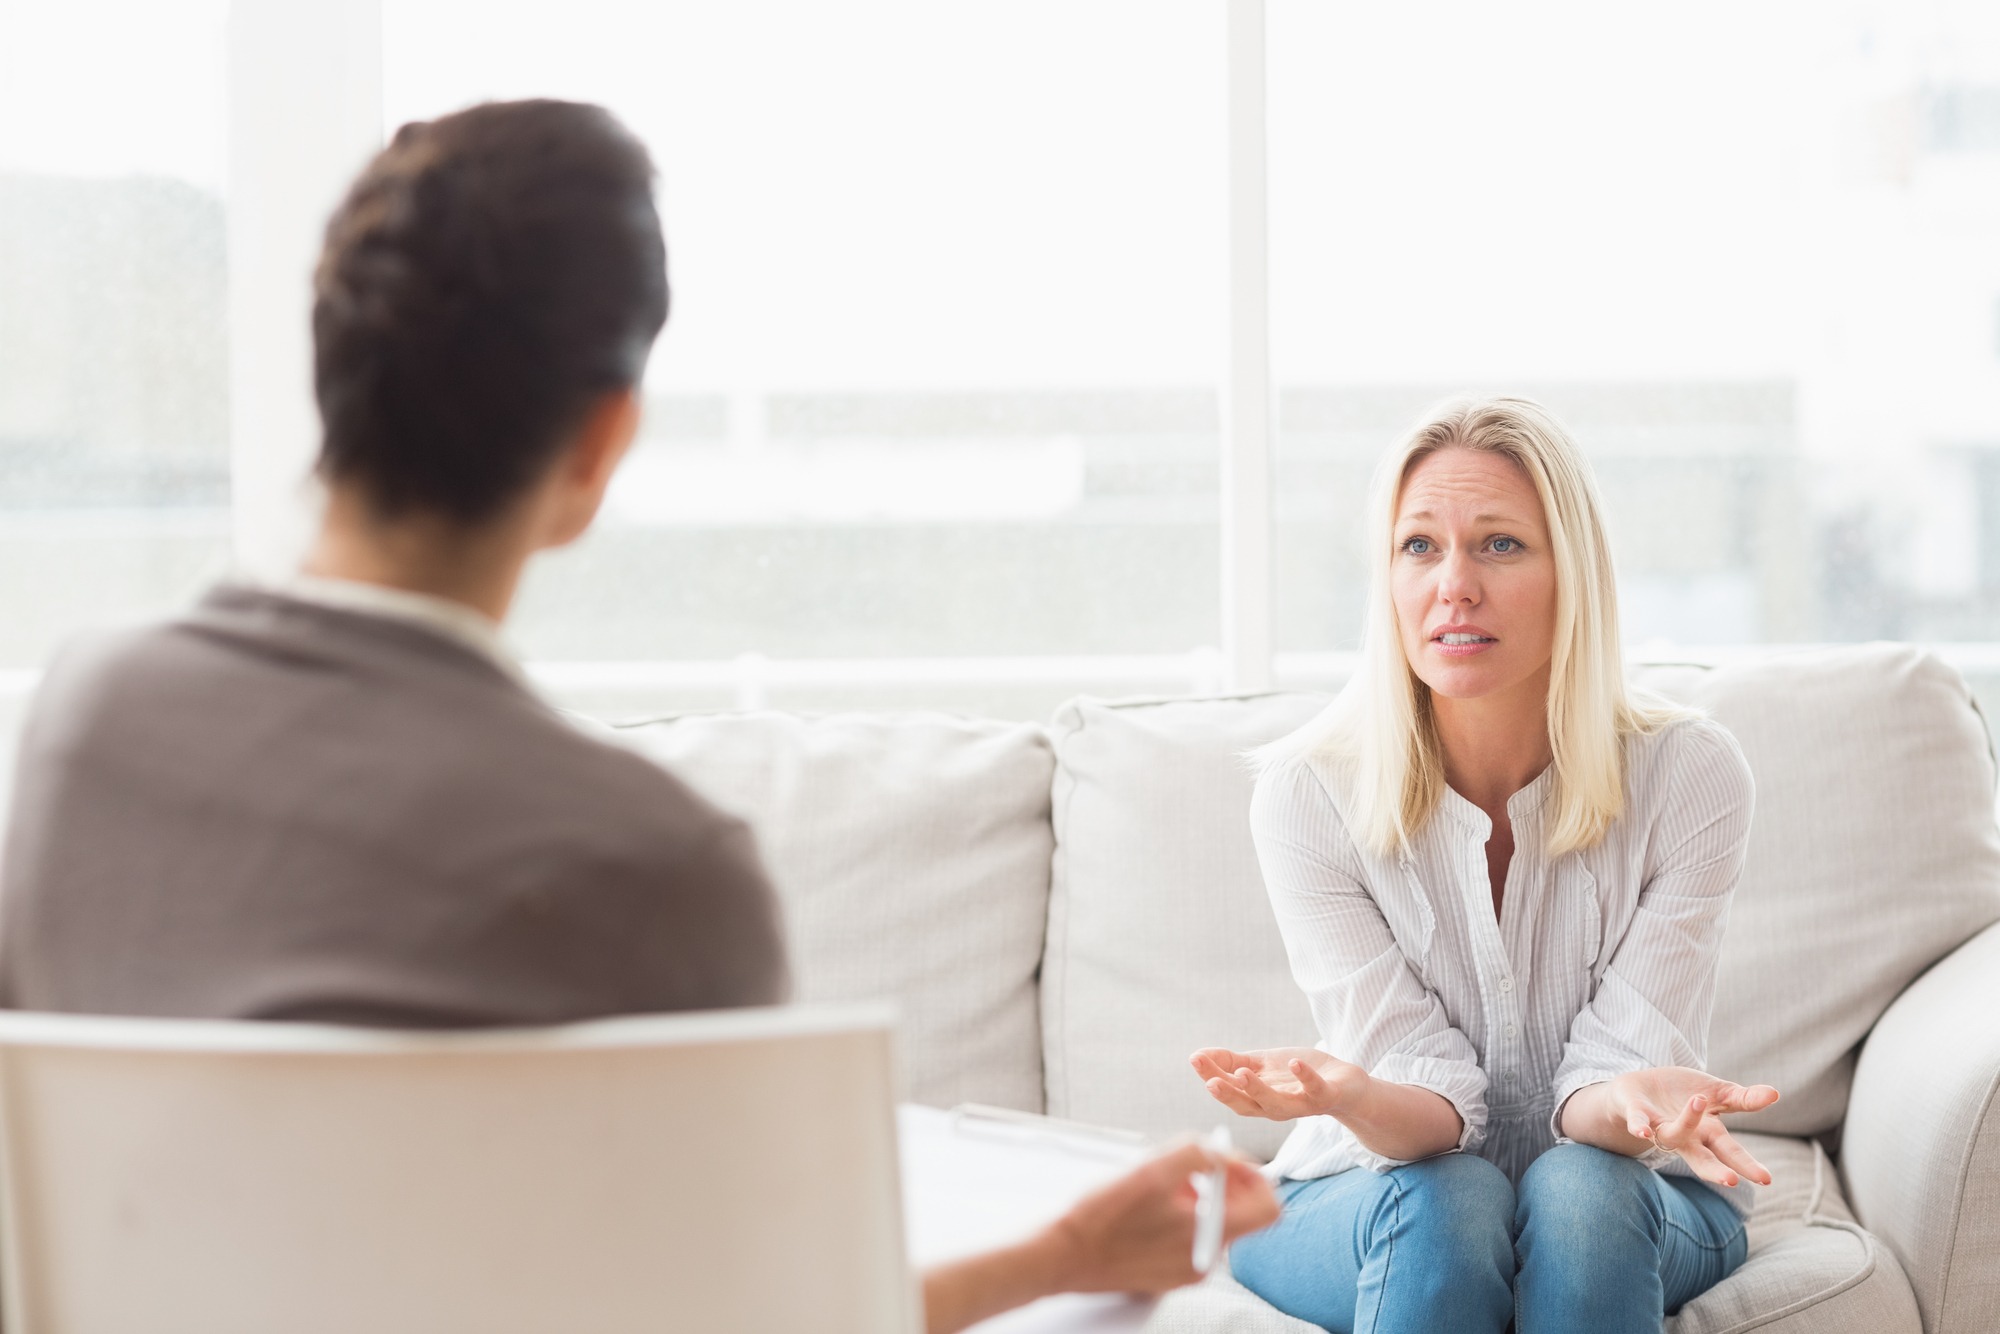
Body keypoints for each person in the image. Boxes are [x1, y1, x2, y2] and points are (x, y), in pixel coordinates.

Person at [0, 99, 1275, 1332]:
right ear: (599, 445)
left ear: (329, 375)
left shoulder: (81, 724)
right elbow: (770, 1320)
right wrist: (1064, 1256)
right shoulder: (653, 867)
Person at [1187, 397, 1778, 1334]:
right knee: (1452, 1202)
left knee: (1580, 1192)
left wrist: (1627, 1093)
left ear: (1572, 575)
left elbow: (1604, 1100)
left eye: (1499, 545)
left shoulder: (1690, 774)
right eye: (1420, 546)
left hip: (1623, 1194)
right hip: (1383, 1188)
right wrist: (1349, 1093)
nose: (1453, 585)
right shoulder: (1308, 793)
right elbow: (1431, 1116)